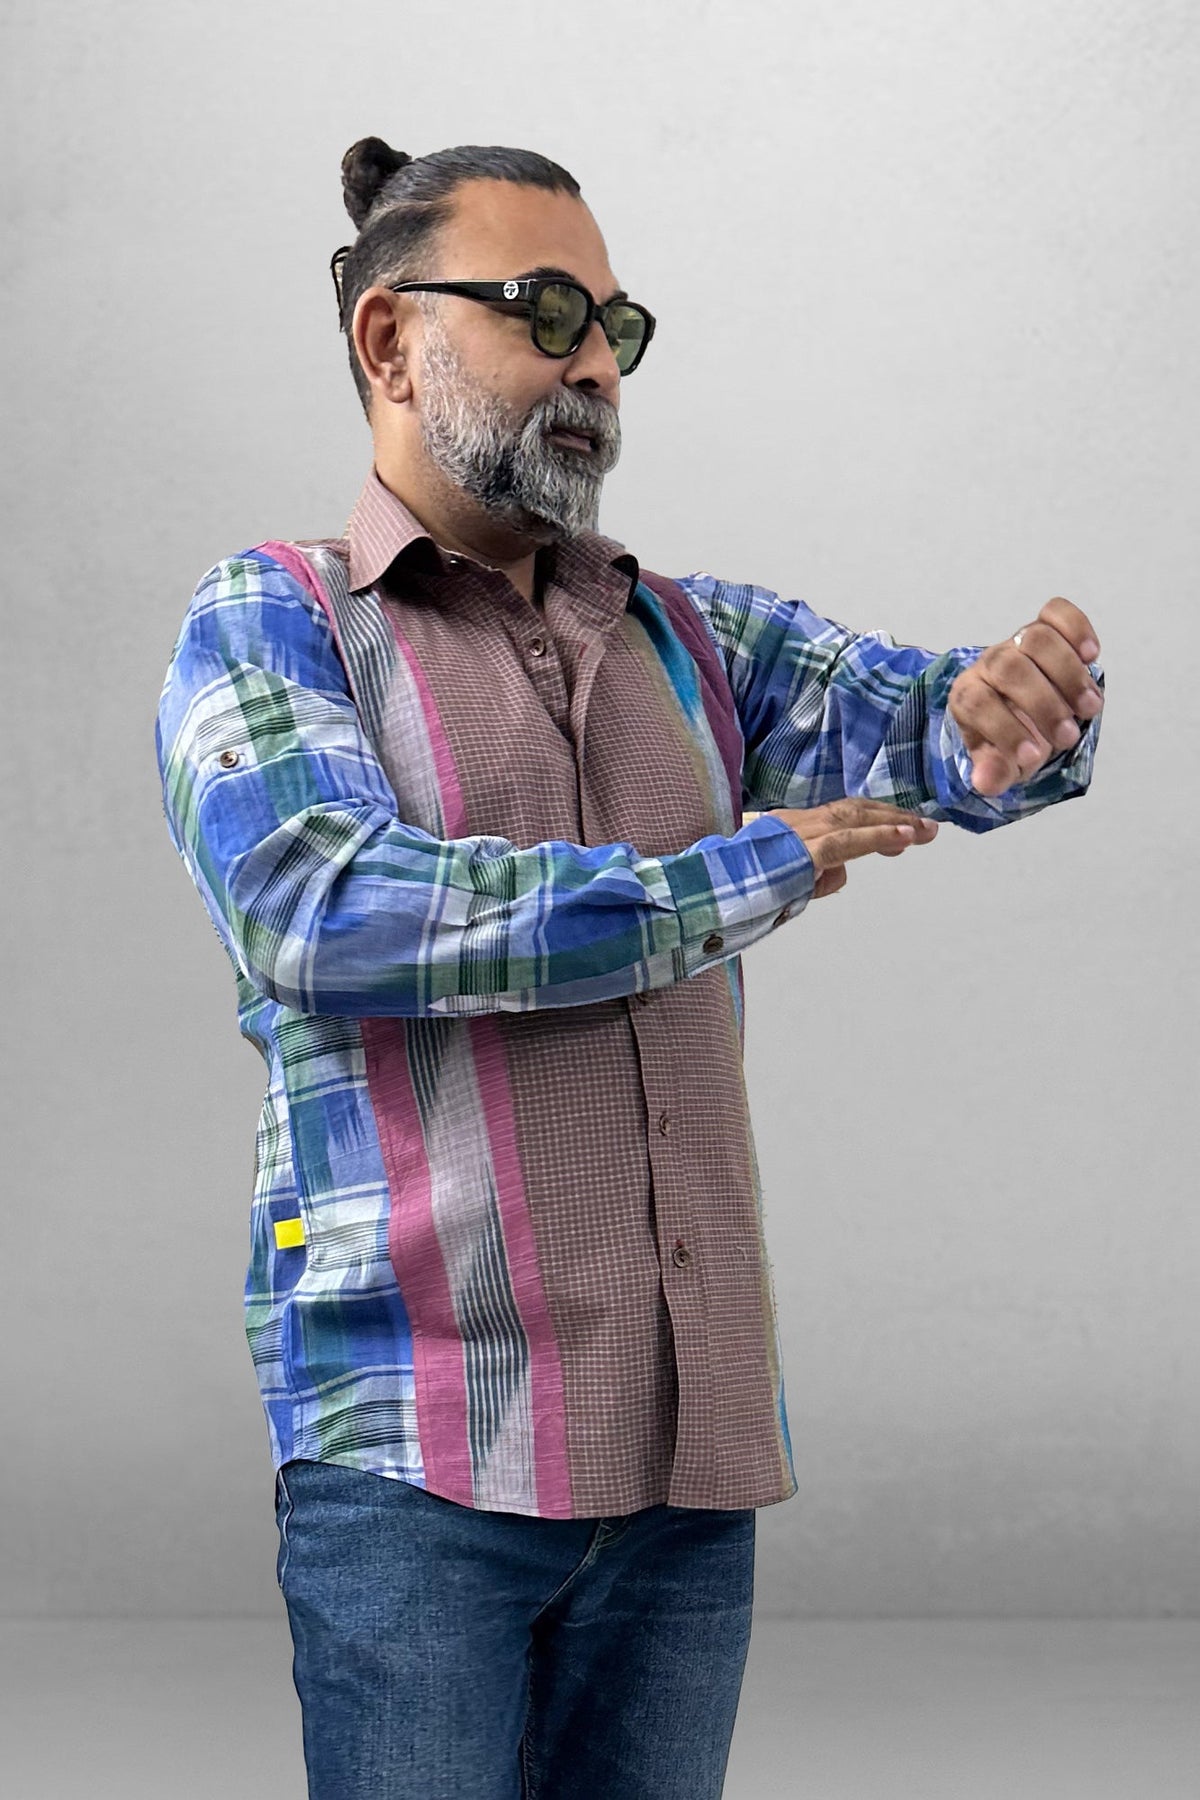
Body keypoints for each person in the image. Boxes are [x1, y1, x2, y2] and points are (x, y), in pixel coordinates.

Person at [153, 136, 1104, 1800]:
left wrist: (1020, 713)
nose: (594, 361)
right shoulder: (276, 619)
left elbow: (930, 735)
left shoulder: (687, 635)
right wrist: (735, 876)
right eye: (545, 313)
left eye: (614, 326)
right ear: (390, 341)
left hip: (686, 1466)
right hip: (420, 1467)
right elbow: (322, 908)